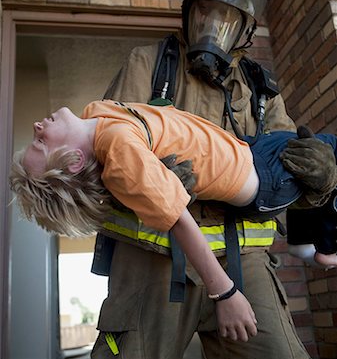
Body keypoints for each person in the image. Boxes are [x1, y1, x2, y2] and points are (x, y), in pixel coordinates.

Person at [52, 0, 337, 359]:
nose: (213, 23)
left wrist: (319, 181)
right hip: (154, 261)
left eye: (228, 14)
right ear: (189, 9)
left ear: (247, 24)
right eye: (205, 8)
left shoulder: (262, 90)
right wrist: (143, 183)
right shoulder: (146, 65)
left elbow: (279, 183)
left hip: (244, 263)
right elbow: (94, 161)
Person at [10, 99, 337, 270]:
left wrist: (321, 184)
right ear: (72, 161)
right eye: (39, 142)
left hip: (248, 151)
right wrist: (223, 292)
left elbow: (285, 133)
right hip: (256, 183)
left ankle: (309, 237)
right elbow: (136, 188)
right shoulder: (118, 148)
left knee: (316, 155)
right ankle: (323, 244)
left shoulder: (97, 112)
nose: (37, 125)